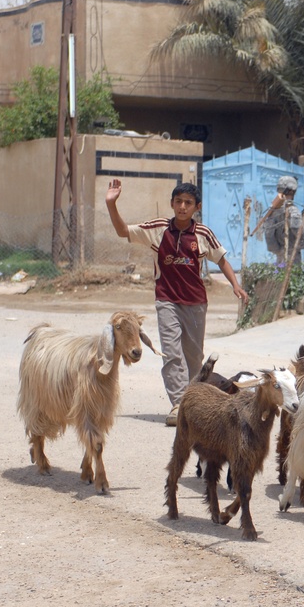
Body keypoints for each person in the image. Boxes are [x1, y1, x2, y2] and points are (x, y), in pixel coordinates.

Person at [105, 178, 249, 426]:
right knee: (172, 354)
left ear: (197, 207)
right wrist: (111, 205)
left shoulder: (203, 233)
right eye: (179, 201)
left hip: (195, 303)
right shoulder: (158, 229)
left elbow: (222, 260)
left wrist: (235, 285)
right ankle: (177, 404)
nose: (183, 206)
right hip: (167, 301)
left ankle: (193, 401)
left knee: (193, 356)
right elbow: (123, 231)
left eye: (188, 203)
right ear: (172, 203)